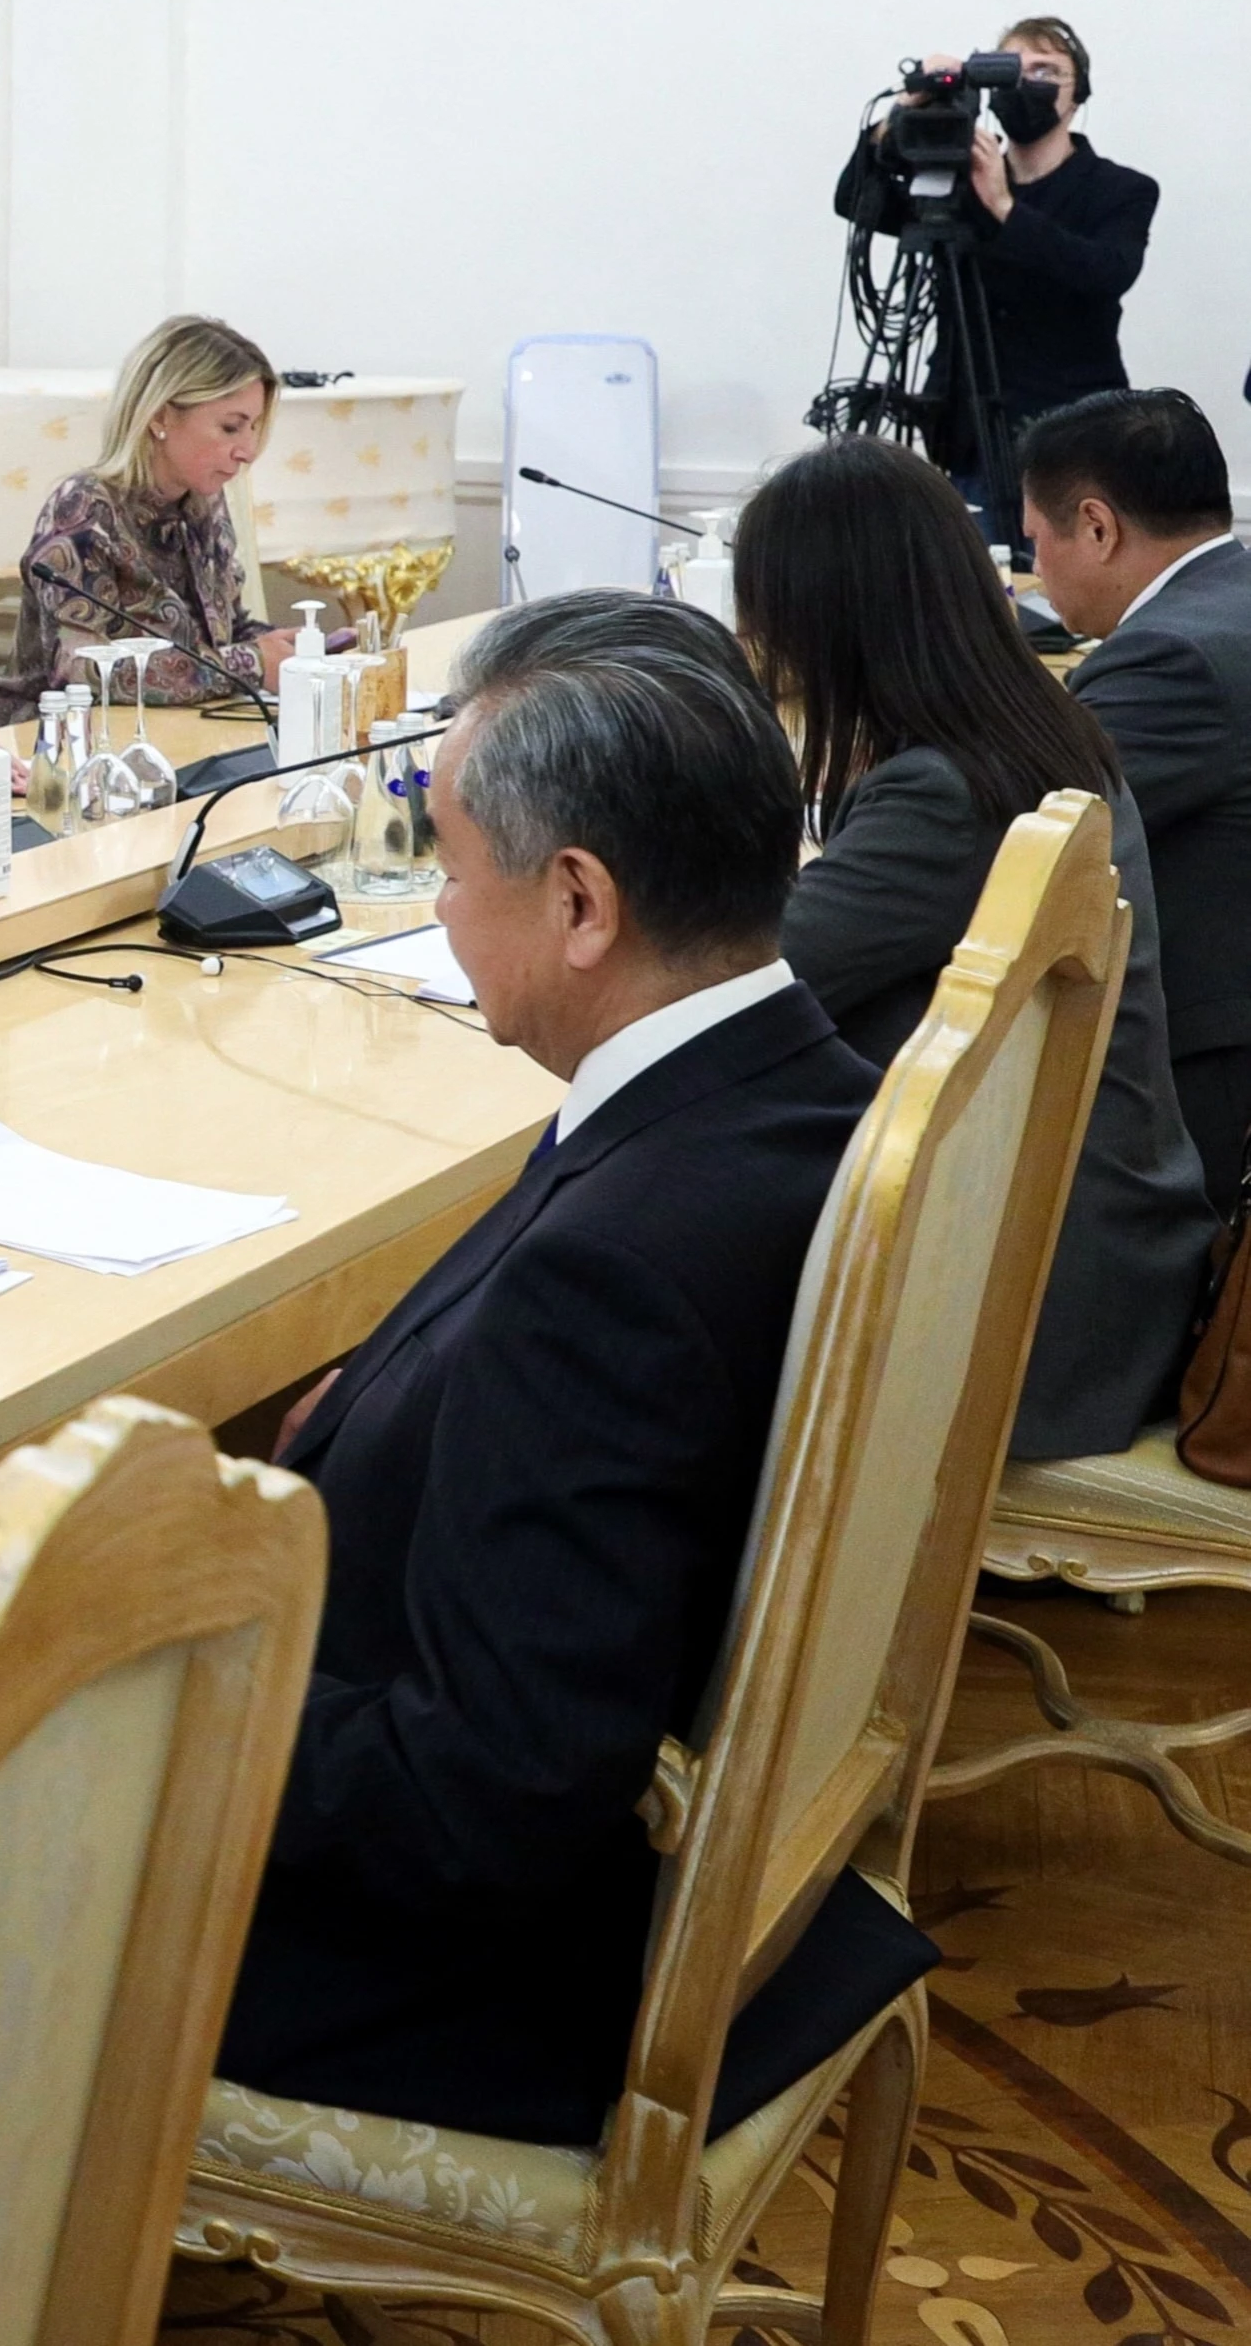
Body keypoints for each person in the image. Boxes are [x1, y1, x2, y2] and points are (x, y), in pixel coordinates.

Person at [214, 595, 932, 2145]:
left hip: (478, 1970)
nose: (441, 910)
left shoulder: (613, 1271)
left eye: (457, 870)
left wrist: (148, 1696)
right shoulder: (799, 1089)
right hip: (728, 1893)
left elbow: (488, 1791)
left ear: (582, 901)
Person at [737, 440, 1212, 1458]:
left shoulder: (940, 793)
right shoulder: (1041, 732)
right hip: (1104, 1260)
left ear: (823, 618)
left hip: (1018, 1310)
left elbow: (746, 982)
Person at [1024, 389, 1251, 1212]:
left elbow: (1025, 829)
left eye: (1035, 542)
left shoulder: (1170, 656)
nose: (1037, 573)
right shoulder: (1230, 601)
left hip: (1209, 1086)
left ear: (1096, 526)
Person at [829, 18, 1152, 539]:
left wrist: (1005, 207)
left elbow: (1104, 272)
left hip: (1071, 440)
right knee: (979, 590)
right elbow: (855, 201)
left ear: (1077, 95)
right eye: (1011, 70)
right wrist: (904, 112)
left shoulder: (1120, 189)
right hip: (966, 437)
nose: (1027, 83)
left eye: (1047, 70)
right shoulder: (956, 184)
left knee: (1061, 604)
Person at [0, 313, 297, 719]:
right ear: (160, 416)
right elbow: (83, 671)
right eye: (230, 428)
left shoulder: (202, 501)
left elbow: (223, 631)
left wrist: (295, 651)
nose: (248, 451)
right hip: (59, 745)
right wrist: (251, 663)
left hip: (182, 726)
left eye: (255, 428)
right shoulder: (83, 511)